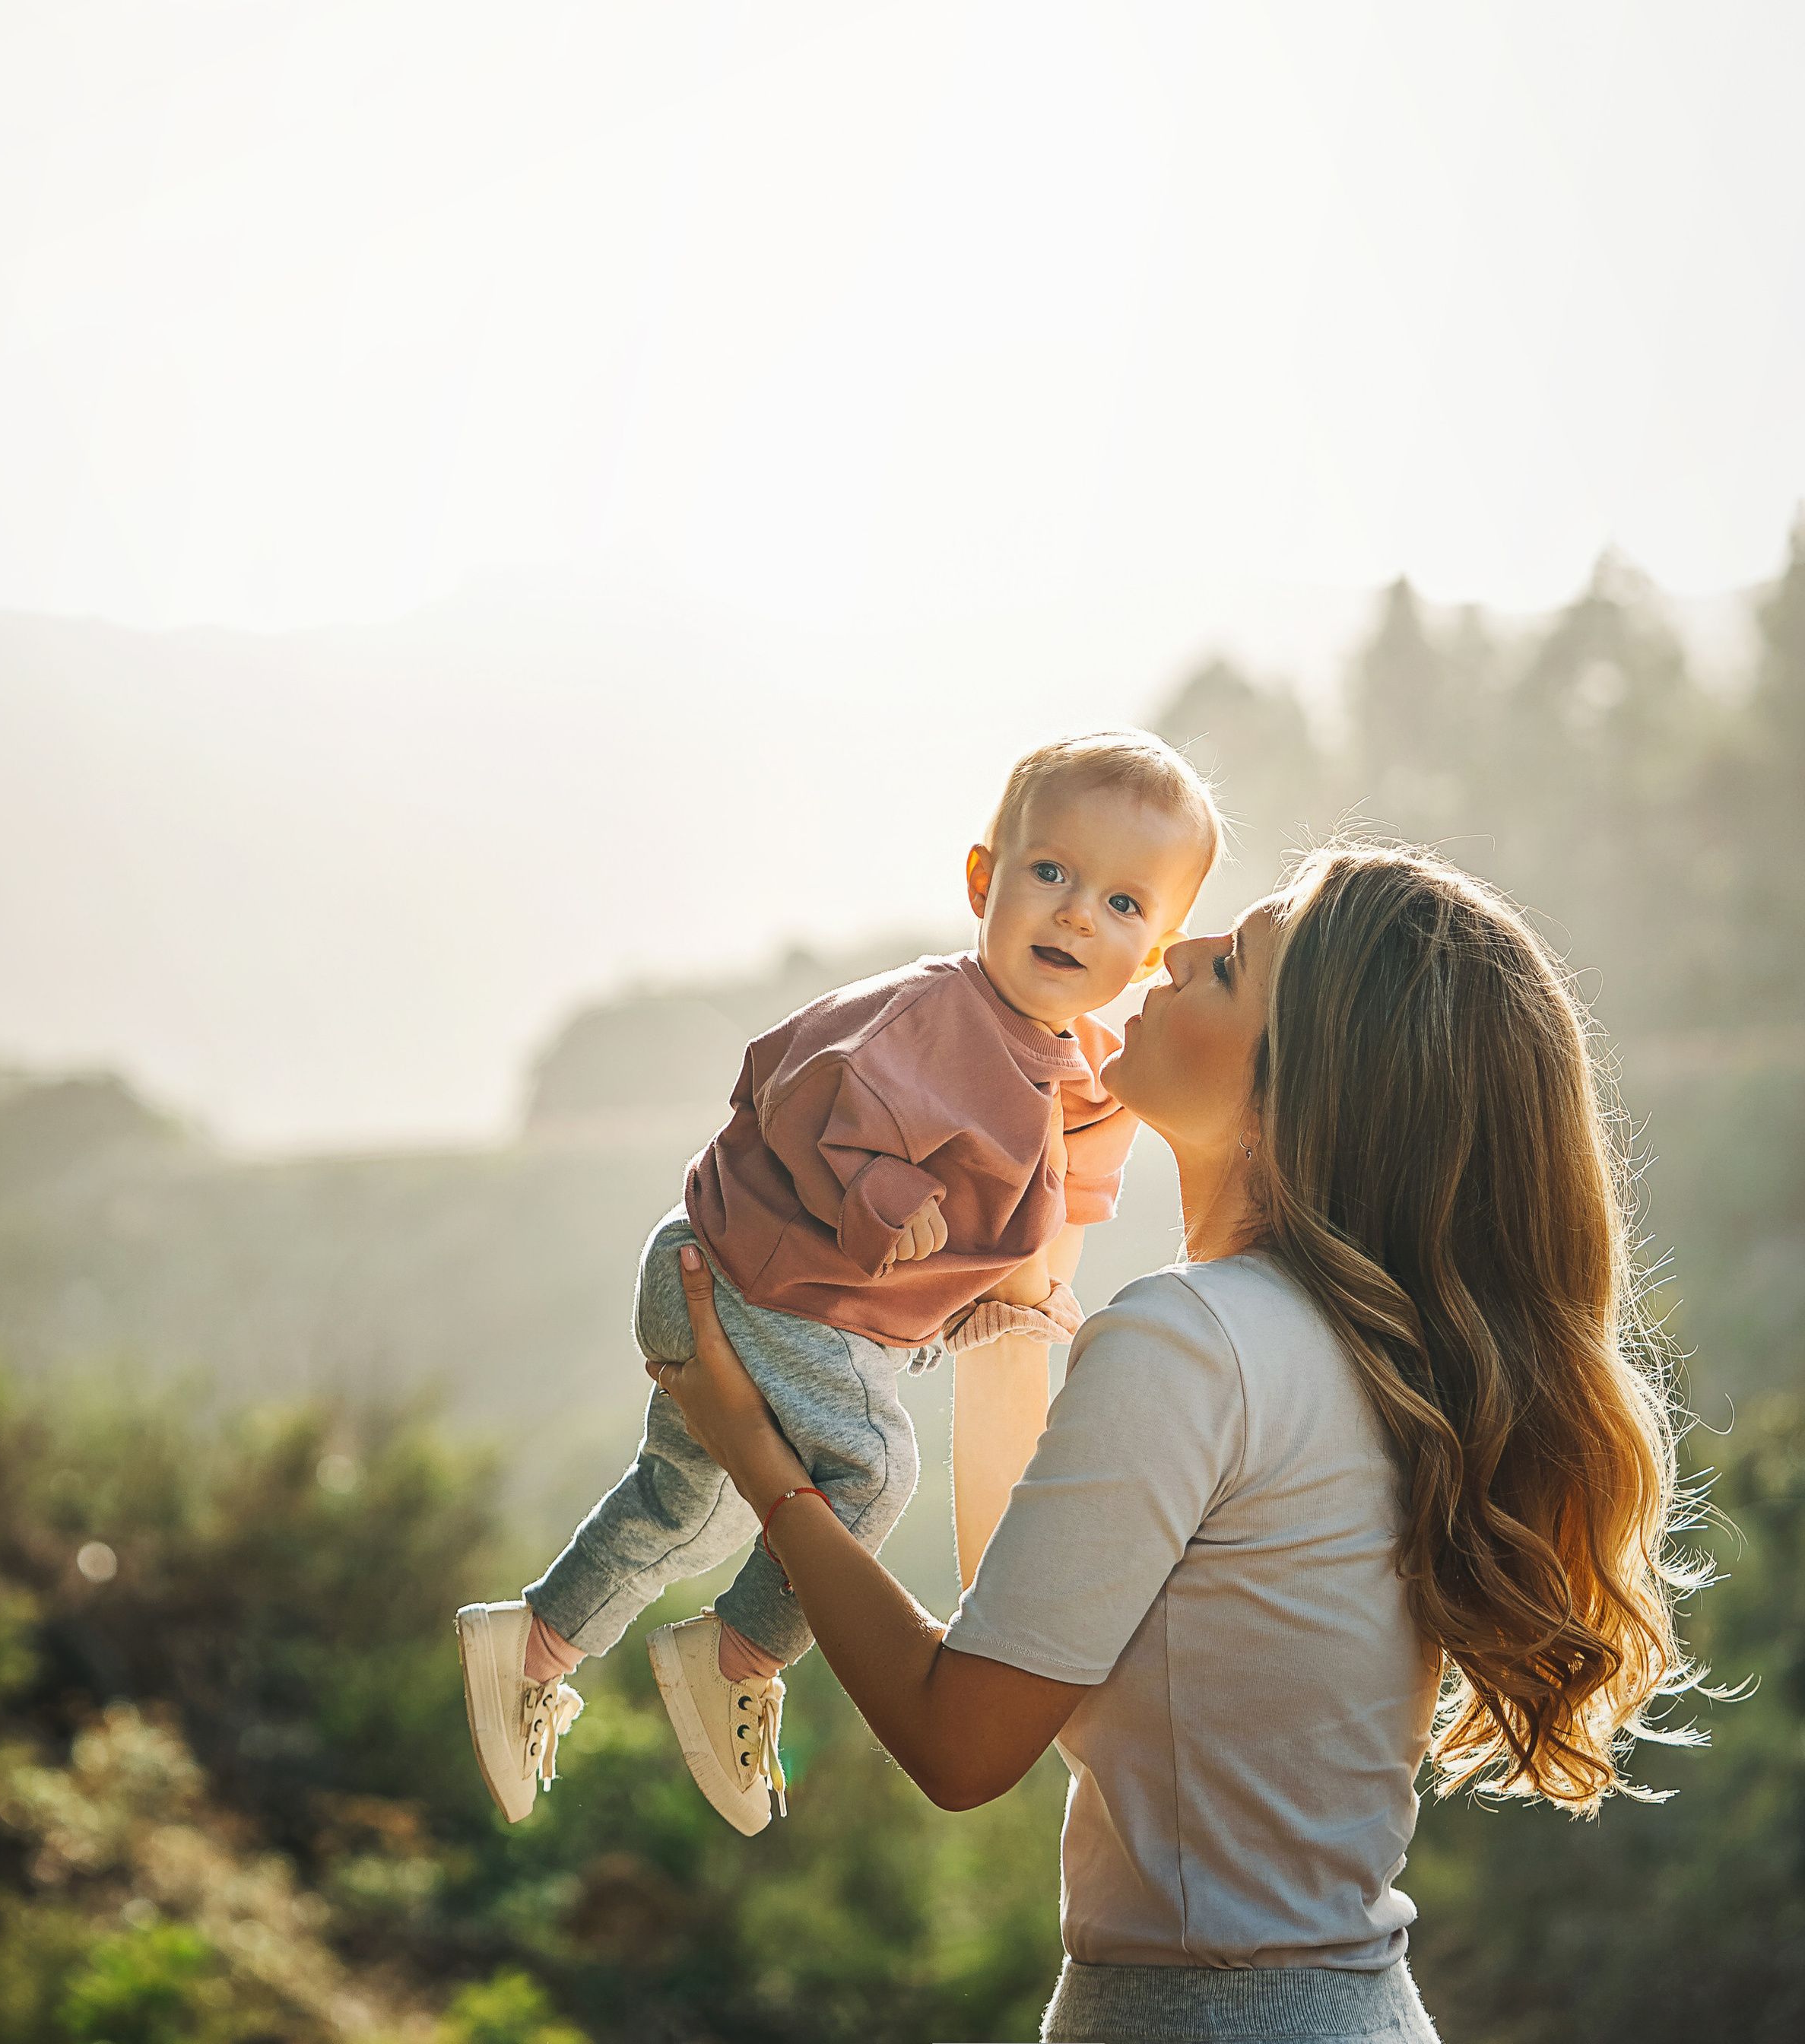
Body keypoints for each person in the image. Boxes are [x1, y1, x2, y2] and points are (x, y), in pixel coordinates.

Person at [644, 843, 1693, 2042]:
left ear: (1307, 1086)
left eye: (1232, 963)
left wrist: (756, 1456)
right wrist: (1017, 1298)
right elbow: (1031, 1629)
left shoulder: (1196, 1337)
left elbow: (959, 1741)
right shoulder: (1350, 1350)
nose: (1176, 949)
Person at [456, 728, 1221, 1834]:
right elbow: (796, 1083)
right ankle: (735, 1661)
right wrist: (876, 1189)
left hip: (747, 1296)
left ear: (1156, 948)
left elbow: (1070, 1196)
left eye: (1121, 904)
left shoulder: (1080, 1073)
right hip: (754, 1285)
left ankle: (529, 1645)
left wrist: (1030, 1290)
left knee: (689, 1511)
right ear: (982, 880)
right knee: (868, 1473)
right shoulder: (929, 1014)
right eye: (1049, 873)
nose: (1074, 915)